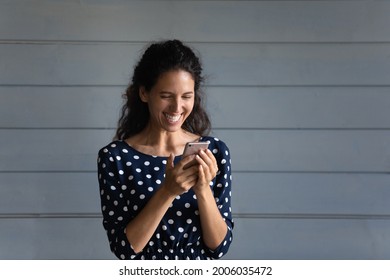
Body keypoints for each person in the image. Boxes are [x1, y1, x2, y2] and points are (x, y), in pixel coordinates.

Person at [97, 39, 233, 260]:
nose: (177, 107)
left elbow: (219, 247)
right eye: (166, 96)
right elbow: (125, 249)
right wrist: (168, 191)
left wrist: (202, 189)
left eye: (186, 96)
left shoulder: (214, 151)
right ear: (144, 93)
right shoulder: (115, 158)